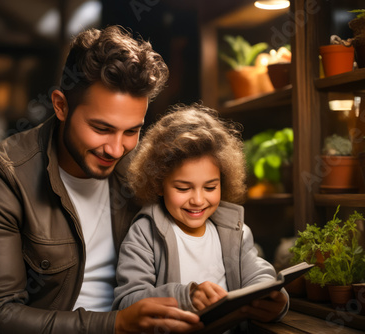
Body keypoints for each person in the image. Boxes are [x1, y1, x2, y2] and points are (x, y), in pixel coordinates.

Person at [0, 25, 203, 334]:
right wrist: (116, 325)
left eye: (131, 131)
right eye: (101, 128)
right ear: (61, 106)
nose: (116, 149)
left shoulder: (142, 172)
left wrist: (249, 295)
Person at [112, 104, 289, 332]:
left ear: (222, 181)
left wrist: (275, 300)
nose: (198, 200)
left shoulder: (235, 230)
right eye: (183, 188)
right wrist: (187, 297)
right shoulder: (145, 232)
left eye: (210, 187)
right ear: (158, 184)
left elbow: (259, 274)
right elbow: (128, 302)